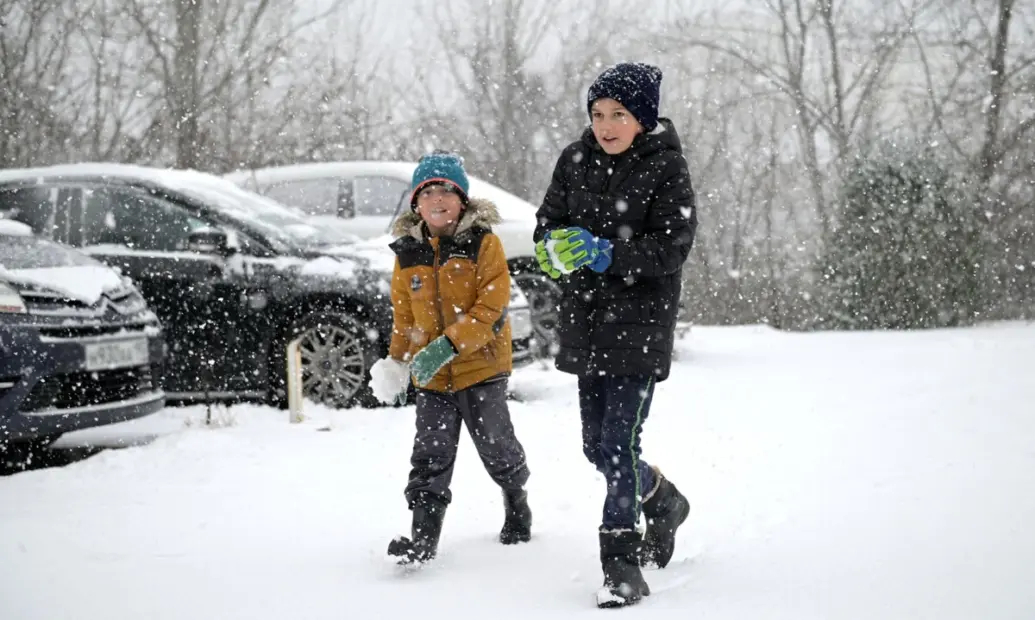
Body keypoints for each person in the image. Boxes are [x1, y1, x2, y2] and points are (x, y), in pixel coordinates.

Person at [533, 62, 697, 607]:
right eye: (598, 113)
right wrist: (550, 251)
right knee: (596, 448)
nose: (605, 124)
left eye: (618, 114)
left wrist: (605, 252)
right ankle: (662, 498)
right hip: (585, 324)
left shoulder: (666, 167)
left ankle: (621, 564)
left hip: (640, 328)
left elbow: (670, 249)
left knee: (618, 444)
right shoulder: (574, 160)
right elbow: (547, 222)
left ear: (643, 119)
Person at [371, 151, 532, 566]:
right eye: (427, 192)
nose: (437, 199)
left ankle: (516, 498)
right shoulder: (407, 252)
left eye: (446, 191)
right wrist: (396, 361)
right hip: (433, 379)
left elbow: (490, 309)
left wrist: (449, 345)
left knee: (497, 446)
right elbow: (404, 315)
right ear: (416, 203)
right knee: (430, 454)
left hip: (482, 368)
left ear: (462, 200)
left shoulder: (484, 244)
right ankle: (423, 539)